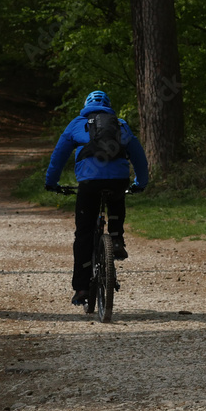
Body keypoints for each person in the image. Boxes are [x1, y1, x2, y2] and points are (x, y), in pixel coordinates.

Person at [44, 90, 149, 306]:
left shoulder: (77, 123)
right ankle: (117, 238)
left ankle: (82, 289)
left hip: (89, 183)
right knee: (117, 195)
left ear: (86, 105)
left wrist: (51, 182)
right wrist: (141, 183)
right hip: (118, 180)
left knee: (83, 234)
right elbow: (138, 155)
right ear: (108, 106)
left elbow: (58, 156)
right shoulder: (120, 125)